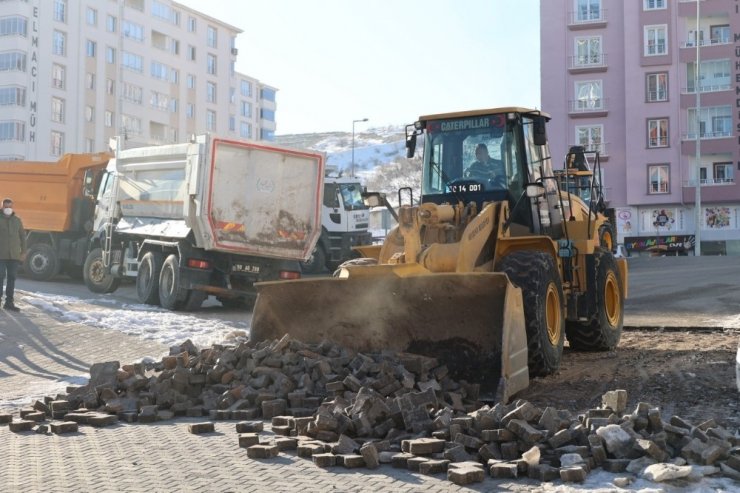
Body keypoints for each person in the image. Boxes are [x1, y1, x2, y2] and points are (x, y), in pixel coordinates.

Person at [0, 197, 26, 311]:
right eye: (6, 207)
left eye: (10, 207)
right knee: (0, 277)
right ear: (2, 207)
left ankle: (9, 302)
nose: (8, 209)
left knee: (12, 278)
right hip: (1, 254)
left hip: (14, 255)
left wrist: (23, 252)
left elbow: (22, 237)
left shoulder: (17, 220)